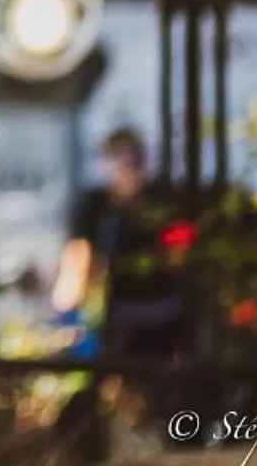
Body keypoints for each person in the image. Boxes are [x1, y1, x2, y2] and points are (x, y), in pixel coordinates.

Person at [53, 128, 187, 361]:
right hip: (118, 313)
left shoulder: (163, 204)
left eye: (131, 161)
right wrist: (66, 311)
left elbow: (179, 253)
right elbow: (77, 259)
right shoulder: (96, 208)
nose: (127, 171)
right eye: (120, 161)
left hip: (162, 311)